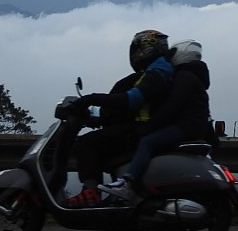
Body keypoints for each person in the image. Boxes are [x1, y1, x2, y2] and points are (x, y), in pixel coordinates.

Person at [65, 29, 175, 208]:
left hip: (141, 129)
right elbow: (132, 108)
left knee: (86, 143)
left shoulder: (157, 72)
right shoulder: (158, 70)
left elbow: (132, 100)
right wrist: (100, 119)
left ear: (144, 49)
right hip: (144, 127)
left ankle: (91, 192)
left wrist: (90, 99)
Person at [99, 39, 213, 203]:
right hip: (194, 127)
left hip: (185, 127)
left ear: (180, 54)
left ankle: (127, 183)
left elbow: (172, 105)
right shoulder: (195, 77)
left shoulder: (184, 77)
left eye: (172, 54)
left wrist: (150, 126)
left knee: (147, 141)